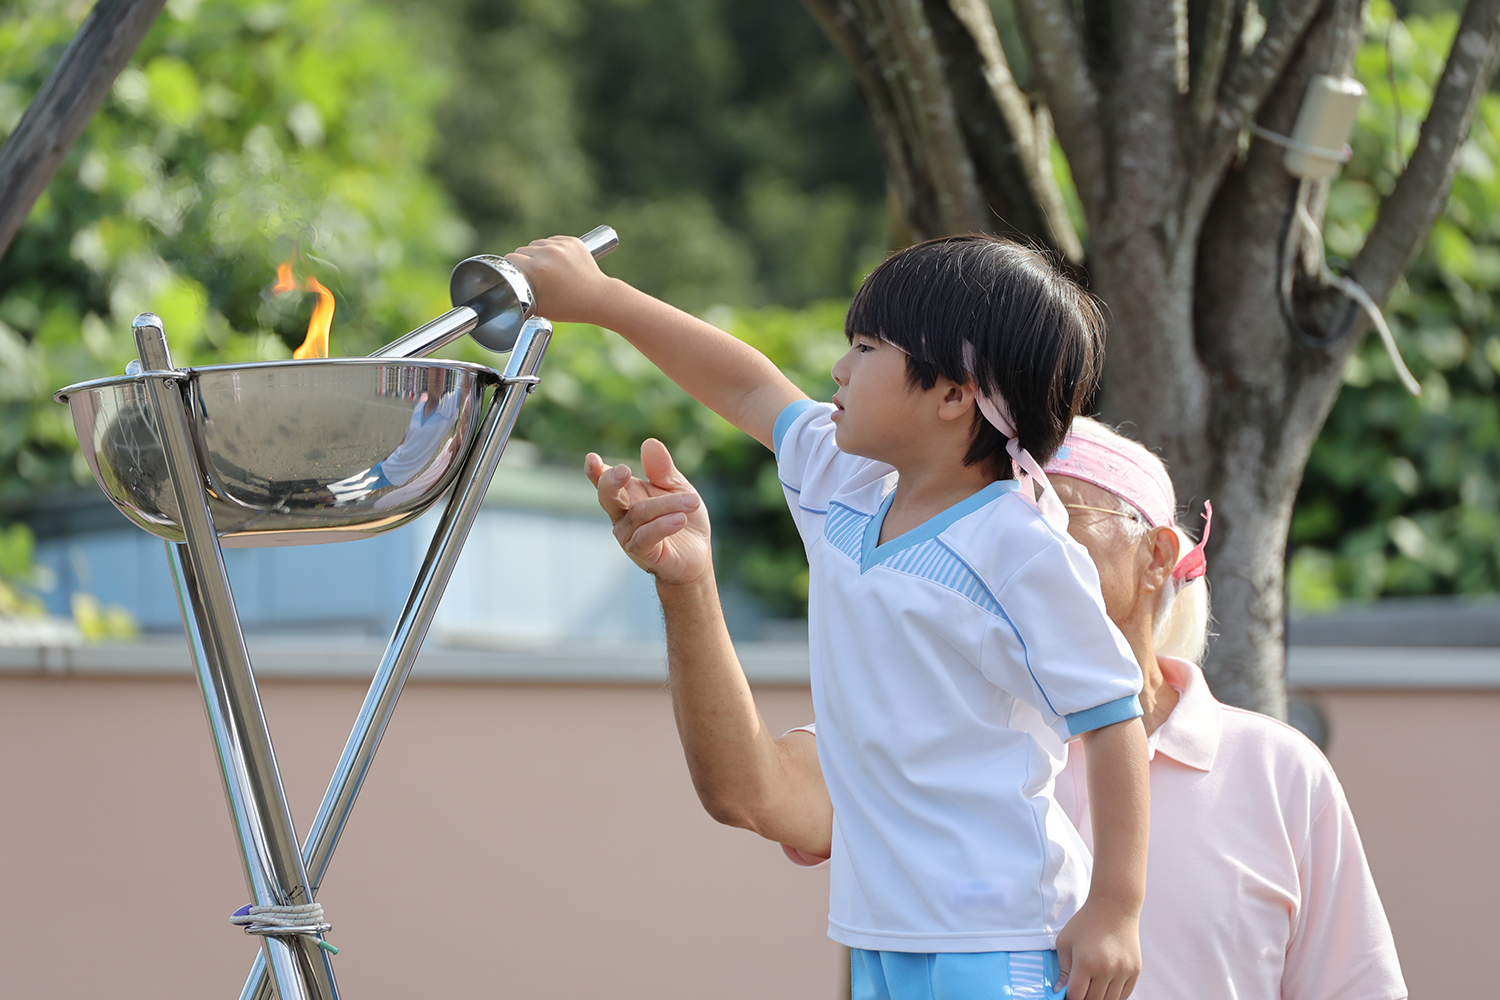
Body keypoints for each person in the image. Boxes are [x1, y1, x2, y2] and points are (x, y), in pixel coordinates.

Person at [512, 232, 1150, 1000]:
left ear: (954, 395)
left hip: (999, 936)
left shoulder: (1022, 548)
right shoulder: (846, 485)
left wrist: (1116, 909)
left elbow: (1113, 717)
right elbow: (749, 390)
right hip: (880, 929)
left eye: (868, 348)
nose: (839, 369)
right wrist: (600, 300)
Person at [588, 416, 1407, 1000]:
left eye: (1052, 507)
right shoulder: (915, 724)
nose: (1011, 531)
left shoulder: (1278, 770)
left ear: (1158, 555)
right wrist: (689, 586)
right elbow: (749, 792)